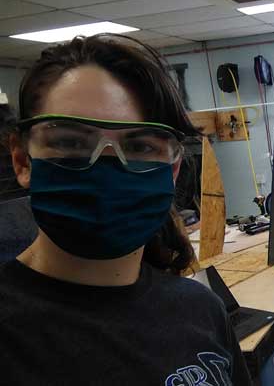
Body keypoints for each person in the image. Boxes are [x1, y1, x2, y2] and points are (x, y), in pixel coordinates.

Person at [0, 34, 251, 385]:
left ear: (172, 169)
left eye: (139, 145)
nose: (107, 169)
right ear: (22, 160)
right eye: (71, 142)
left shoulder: (201, 309)